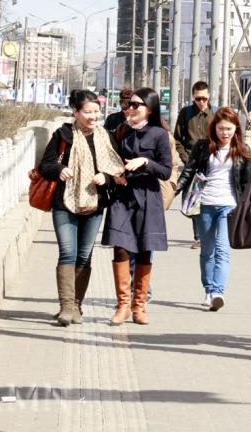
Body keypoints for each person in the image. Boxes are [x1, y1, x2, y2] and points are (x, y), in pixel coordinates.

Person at [39, 89, 125, 326]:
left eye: (96, 112)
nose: (93, 116)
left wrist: (105, 178)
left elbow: (117, 170)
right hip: (64, 202)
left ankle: (77, 305)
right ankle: (66, 306)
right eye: (88, 112)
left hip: (94, 204)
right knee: (68, 251)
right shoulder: (63, 135)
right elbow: (45, 166)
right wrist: (59, 170)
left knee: (84, 255)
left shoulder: (106, 137)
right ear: (76, 112)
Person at [102, 87, 172, 326]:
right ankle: (122, 305)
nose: (129, 109)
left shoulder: (159, 134)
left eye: (135, 105)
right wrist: (114, 174)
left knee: (144, 249)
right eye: (128, 105)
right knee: (120, 247)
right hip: (123, 195)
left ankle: (139, 306)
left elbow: (166, 171)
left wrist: (145, 161)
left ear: (149, 109)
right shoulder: (121, 131)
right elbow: (108, 160)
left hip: (147, 196)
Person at [177, 108, 251, 311]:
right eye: (221, 128)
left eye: (229, 128)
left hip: (229, 205)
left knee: (222, 249)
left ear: (236, 128)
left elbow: (247, 182)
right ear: (215, 128)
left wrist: (249, 205)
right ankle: (209, 289)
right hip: (205, 203)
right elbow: (189, 171)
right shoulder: (203, 147)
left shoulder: (241, 150)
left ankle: (218, 292)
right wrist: (173, 191)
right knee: (207, 251)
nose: (225, 133)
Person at [174, 81, 216, 249]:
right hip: (191, 164)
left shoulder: (215, 113)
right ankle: (199, 237)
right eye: (198, 99)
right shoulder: (186, 113)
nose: (201, 102)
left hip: (212, 162)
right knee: (194, 199)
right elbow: (177, 139)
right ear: (193, 97)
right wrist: (186, 159)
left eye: (204, 99)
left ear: (209, 96)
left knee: (210, 199)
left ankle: (210, 234)